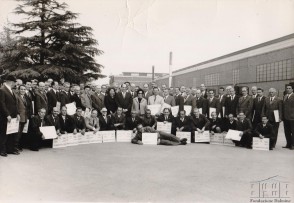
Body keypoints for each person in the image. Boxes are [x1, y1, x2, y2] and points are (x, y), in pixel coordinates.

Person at [0, 75, 20, 157]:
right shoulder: (2, 90)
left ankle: (10, 149)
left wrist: (18, 113)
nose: (15, 84)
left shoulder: (11, 90)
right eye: (14, 82)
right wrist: (7, 114)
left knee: (11, 132)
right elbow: (2, 104)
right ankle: (2, 150)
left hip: (13, 116)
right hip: (6, 116)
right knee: (4, 133)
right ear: (11, 82)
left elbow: (15, 104)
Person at [16, 84, 33, 151]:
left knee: (22, 133)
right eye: (21, 89)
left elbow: (28, 107)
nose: (23, 90)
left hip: (25, 117)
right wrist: (17, 114)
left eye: (24, 89)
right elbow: (16, 107)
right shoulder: (17, 97)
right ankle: (15, 147)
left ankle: (19, 146)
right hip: (19, 117)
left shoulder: (26, 97)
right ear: (19, 90)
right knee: (18, 133)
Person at [283, 84, 294, 150]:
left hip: (292, 118)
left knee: (293, 132)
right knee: (287, 131)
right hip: (286, 117)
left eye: (289, 88)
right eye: (287, 88)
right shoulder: (285, 96)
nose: (288, 89)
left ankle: (293, 145)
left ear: (292, 89)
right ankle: (288, 144)